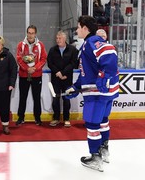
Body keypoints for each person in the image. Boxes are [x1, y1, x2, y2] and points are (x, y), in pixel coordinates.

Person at [65, 15, 119, 172]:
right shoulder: (88, 44)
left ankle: (95, 157)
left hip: (97, 93)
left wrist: (104, 77)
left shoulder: (91, 42)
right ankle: (104, 151)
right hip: (104, 93)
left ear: (85, 28)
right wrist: (76, 87)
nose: (76, 30)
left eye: (78, 27)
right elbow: (87, 71)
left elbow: (109, 53)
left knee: (92, 124)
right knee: (103, 121)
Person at [16, 25, 47, 126]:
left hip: (36, 75)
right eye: (29, 33)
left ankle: (37, 118)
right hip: (24, 75)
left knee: (36, 97)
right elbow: (19, 58)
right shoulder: (21, 45)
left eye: (32, 33)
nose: (30, 35)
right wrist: (26, 68)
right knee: (22, 97)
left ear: (35, 34)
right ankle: (21, 117)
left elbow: (43, 59)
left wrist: (35, 68)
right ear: (26, 33)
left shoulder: (40, 45)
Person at [47, 30, 78, 127]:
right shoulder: (52, 50)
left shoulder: (72, 50)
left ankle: (66, 119)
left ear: (65, 39)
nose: (57, 40)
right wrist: (58, 73)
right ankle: (56, 118)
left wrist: (63, 73)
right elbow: (50, 63)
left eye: (60, 38)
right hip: (56, 79)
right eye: (57, 38)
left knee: (66, 99)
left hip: (67, 78)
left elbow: (73, 63)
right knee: (55, 99)